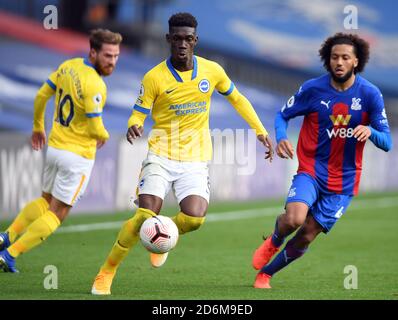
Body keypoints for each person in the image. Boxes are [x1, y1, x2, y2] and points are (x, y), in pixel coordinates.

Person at [91, 12, 274, 295]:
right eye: (177, 39)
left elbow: (237, 99)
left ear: (195, 40)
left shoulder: (212, 71)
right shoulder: (154, 77)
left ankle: (163, 233)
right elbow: (138, 113)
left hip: (195, 160)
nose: (182, 44)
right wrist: (134, 125)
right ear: (168, 39)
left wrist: (260, 131)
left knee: (195, 218)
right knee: (143, 215)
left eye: (188, 39)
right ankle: (106, 273)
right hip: (160, 155)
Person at [251, 32, 392, 289]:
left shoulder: (371, 94)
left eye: (345, 57)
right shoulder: (313, 89)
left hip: (344, 181)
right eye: (334, 57)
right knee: (294, 219)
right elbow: (282, 115)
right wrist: (281, 137)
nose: (338, 62)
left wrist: (371, 132)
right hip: (311, 171)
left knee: (306, 234)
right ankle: (274, 239)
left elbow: (388, 142)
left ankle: (266, 274)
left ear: (356, 62)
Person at [0, 29, 122, 272]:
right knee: (58, 212)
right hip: (77, 157)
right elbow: (95, 125)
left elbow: (42, 94)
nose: (112, 62)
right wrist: (105, 135)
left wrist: (38, 127)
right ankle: (10, 254)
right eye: (108, 55)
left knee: (45, 200)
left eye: (116, 56)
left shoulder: (68, 66)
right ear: (93, 52)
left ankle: (6, 236)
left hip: (55, 149)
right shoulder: (95, 84)